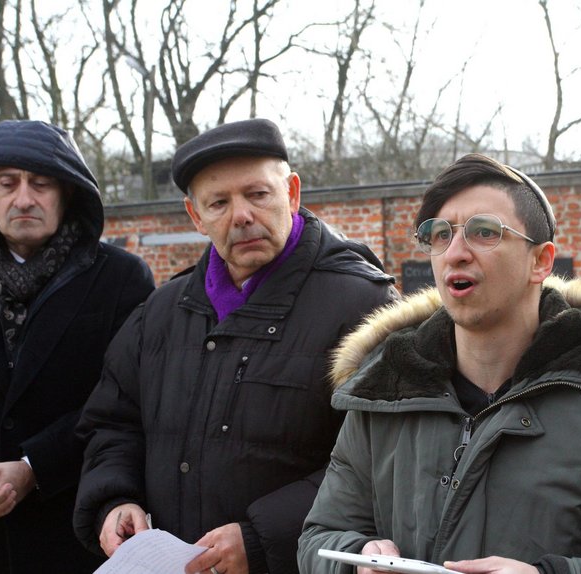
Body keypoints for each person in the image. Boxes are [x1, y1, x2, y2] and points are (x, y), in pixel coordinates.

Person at [298, 153, 581, 574]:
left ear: (541, 261)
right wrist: (357, 559)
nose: (455, 253)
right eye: (440, 235)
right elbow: (320, 536)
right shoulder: (385, 389)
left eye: (484, 231)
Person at [74, 118, 399, 574]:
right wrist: (115, 498)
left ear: (292, 192)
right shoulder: (160, 313)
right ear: (195, 216)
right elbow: (113, 423)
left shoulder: (365, 307)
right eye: (219, 203)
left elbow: (387, 459)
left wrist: (261, 539)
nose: (241, 215)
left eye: (257, 194)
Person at [0, 120, 155, 574]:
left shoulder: (121, 278)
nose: (23, 198)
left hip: (75, 529)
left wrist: (35, 466)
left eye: (40, 184)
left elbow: (127, 397)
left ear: (67, 193)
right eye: (7, 183)